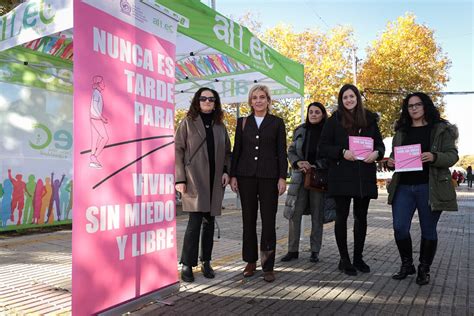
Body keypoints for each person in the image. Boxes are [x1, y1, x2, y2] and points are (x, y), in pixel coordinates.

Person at [387, 92, 458, 285]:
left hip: (430, 186)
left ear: (426, 106)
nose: (414, 108)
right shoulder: (402, 131)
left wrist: (434, 157)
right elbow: (395, 157)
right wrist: (391, 162)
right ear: (406, 109)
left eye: (418, 104)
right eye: (410, 106)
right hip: (403, 186)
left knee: (428, 230)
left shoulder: (441, 130)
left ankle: (424, 269)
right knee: (400, 228)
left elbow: (452, 156)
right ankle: (407, 264)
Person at [319, 84, 385, 276]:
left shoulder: (370, 120)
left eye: (351, 96)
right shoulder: (334, 120)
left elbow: (379, 144)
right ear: (341, 100)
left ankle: (358, 257)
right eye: (345, 97)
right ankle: (344, 259)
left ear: (357, 98)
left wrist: (377, 153)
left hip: (363, 175)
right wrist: (341, 152)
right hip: (341, 175)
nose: (348, 100)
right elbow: (322, 147)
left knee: (361, 217)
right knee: (341, 217)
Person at [230, 84, 287, 282]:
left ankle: (268, 265)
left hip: (269, 178)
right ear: (250, 101)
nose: (258, 100)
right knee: (248, 220)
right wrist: (233, 175)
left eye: (262, 97)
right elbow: (236, 151)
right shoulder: (243, 122)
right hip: (245, 177)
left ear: (268, 100)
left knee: (269, 222)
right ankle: (250, 261)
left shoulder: (277, 123)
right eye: (254, 98)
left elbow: (282, 152)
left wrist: (282, 177)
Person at [175, 87, 231, 283]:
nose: (207, 101)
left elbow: (227, 152)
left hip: (215, 181)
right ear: (197, 101)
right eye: (203, 98)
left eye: (211, 99)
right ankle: (187, 264)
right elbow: (178, 151)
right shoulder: (188, 123)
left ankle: (206, 261)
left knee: (209, 224)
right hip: (194, 179)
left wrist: (226, 171)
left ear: (216, 103)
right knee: (194, 223)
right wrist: (180, 179)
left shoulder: (220, 126)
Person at [282, 102, 328, 263]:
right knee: (295, 214)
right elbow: (291, 150)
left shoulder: (328, 132)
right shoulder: (300, 130)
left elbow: (331, 154)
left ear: (323, 114)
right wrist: (298, 163)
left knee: (317, 215)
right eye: (311, 112)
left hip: (318, 178)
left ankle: (315, 251)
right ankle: (292, 250)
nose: (313, 114)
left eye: (317, 112)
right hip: (300, 177)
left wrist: (316, 166)